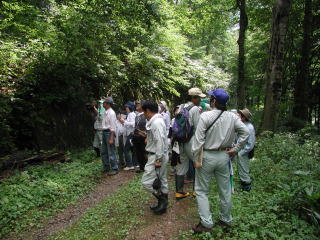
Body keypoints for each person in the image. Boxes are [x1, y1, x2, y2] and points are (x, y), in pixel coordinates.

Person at [191, 88, 249, 233]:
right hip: (224, 156)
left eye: (211, 98)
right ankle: (226, 220)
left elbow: (198, 141)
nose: (210, 100)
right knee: (225, 190)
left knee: (201, 190)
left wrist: (195, 158)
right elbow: (245, 133)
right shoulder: (233, 117)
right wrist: (236, 149)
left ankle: (206, 223)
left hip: (207, 156)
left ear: (214, 101)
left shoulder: (205, 116)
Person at [175, 87, 205, 200]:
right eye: (199, 98)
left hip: (181, 141)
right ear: (193, 98)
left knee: (181, 166)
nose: (200, 100)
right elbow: (198, 128)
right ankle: (196, 191)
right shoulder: (195, 109)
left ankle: (179, 192)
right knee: (197, 164)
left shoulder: (181, 106)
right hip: (191, 141)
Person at [141, 101, 169, 215]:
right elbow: (158, 139)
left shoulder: (156, 122)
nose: (143, 114)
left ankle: (162, 201)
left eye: (144, 112)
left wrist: (158, 159)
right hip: (161, 154)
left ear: (148, 111)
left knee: (146, 182)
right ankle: (162, 206)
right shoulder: (158, 120)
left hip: (157, 155)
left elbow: (159, 142)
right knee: (162, 180)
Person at [237, 108, 255, 191]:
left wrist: (242, 152)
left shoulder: (249, 127)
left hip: (245, 151)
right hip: (242, 150)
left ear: (244, 117)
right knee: (242, 167)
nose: (239, 116)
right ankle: (243, 183)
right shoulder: (244, 125)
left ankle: (247, 186)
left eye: (240, 115)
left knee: (244, 168)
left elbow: (250, 143)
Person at [101, 97, 119, 176]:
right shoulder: (105, 112)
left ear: (108, 104)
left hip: (109, 133)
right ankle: (106, 166)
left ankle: (114, 168)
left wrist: (111, 138)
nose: (103, 104)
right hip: (104, 132)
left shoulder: (112, 113)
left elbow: (112, 127)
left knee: (111, 151)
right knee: (104, 151)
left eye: (104, 102)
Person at [121, 102, 138, 171]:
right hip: (130, 133)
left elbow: (134, 124)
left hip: (131, 134)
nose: (126, 108)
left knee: (126, 149)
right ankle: (134, 164)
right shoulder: (130, 114)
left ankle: (129, 165)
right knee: (132, 149)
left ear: (130, 108)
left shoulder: (132, 114)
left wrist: (124, 122)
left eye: (127, 107)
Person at [132, 100, 147, 173]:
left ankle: (146, 167)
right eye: (136, 104)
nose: (137, 105)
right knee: (138, 152)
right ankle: (141, 167)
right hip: (136, 137)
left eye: (139, 104)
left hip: (143, 137)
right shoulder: (137, 115)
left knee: (144, 152)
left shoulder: (145, 115)